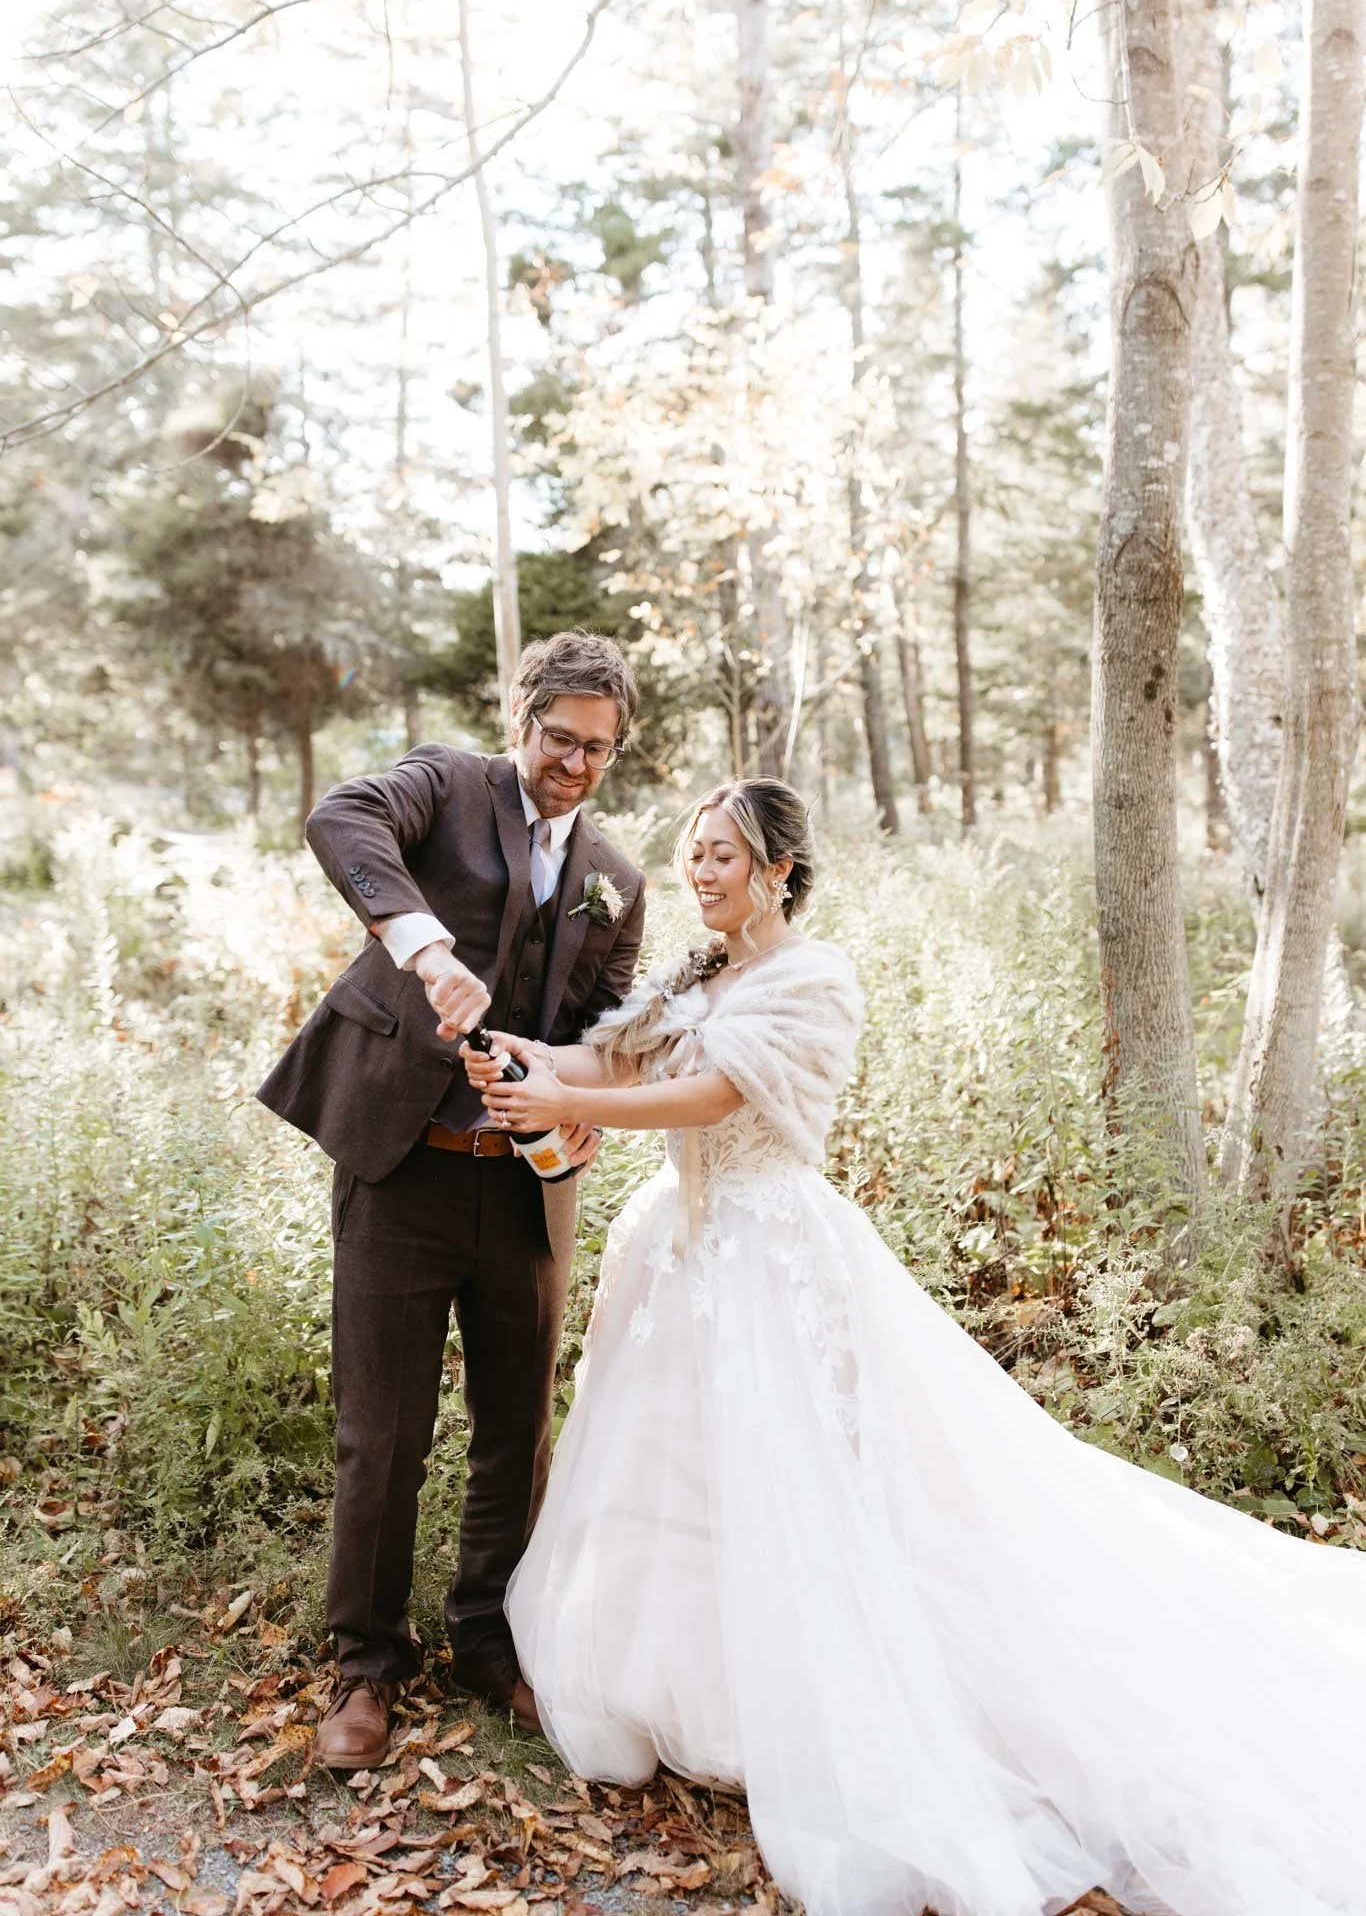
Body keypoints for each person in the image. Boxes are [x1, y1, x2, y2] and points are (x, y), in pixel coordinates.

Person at [466, 776, 1366, 1916]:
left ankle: (826, 1697)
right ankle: (684, 1687)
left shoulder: (812, 979)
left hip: (768, 1256)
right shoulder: (692, 972)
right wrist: (526, 1059)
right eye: (691, 854)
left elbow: (707, 1096)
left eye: (721, 857)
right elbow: (618, 1063)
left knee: (805, 1479)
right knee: (670, 1468)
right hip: (678, 1256)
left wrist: (554, 1099)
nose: (698, 873)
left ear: (777, 869)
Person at [257, 631, 646, 1769]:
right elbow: (341, 817)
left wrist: (572, 1099)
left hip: (526, 1190)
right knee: (381, 1433)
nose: (574, 764)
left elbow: (605, 1028)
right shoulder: (445, 783)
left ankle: (490, 1640)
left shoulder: (617, 878)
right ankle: (367, 1663)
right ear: (519, 719)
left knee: (517, 1427)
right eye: (558, 738)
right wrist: (424, 949)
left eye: (597, 749)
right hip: (403, 1165)